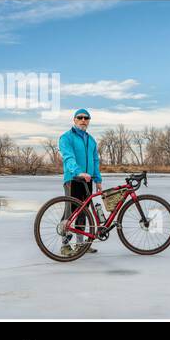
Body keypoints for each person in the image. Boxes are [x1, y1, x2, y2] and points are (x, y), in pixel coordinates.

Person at [59, 108, 102, 255]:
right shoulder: (66, 137)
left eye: (86, 118)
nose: (83, 120)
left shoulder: (91, 140)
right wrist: (78, 172)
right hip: (73, 179)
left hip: (87, 180)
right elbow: (68, 157)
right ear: (74, 120)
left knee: (84, 212)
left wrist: (98, 179)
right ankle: (64, 245)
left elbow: (95, 160)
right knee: (70, 212)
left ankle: (80, 244)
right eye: (80, 117)